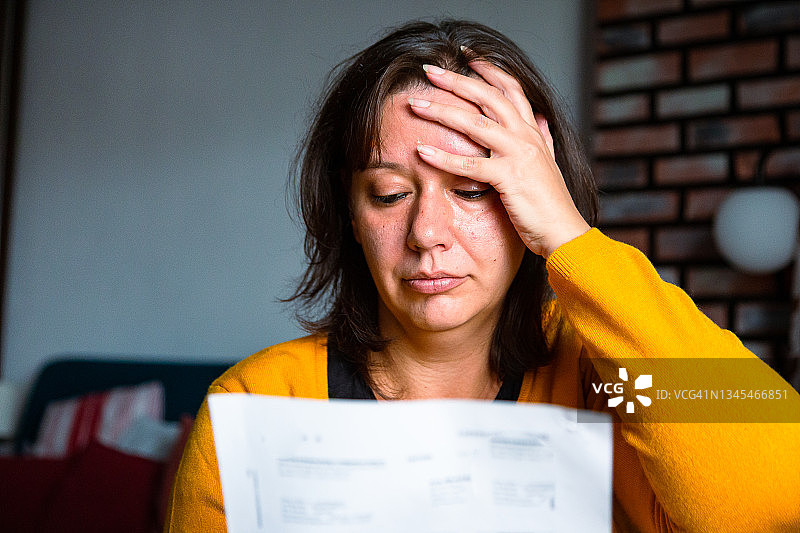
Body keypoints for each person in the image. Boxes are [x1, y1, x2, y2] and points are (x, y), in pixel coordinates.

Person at [165, 20, 800, 532]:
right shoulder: (256, 403)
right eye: (388, 194)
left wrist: (571, 238)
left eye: (472, 189)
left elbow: (774, 494)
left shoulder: (608, 384)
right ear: (350, 216)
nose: (426, 233)